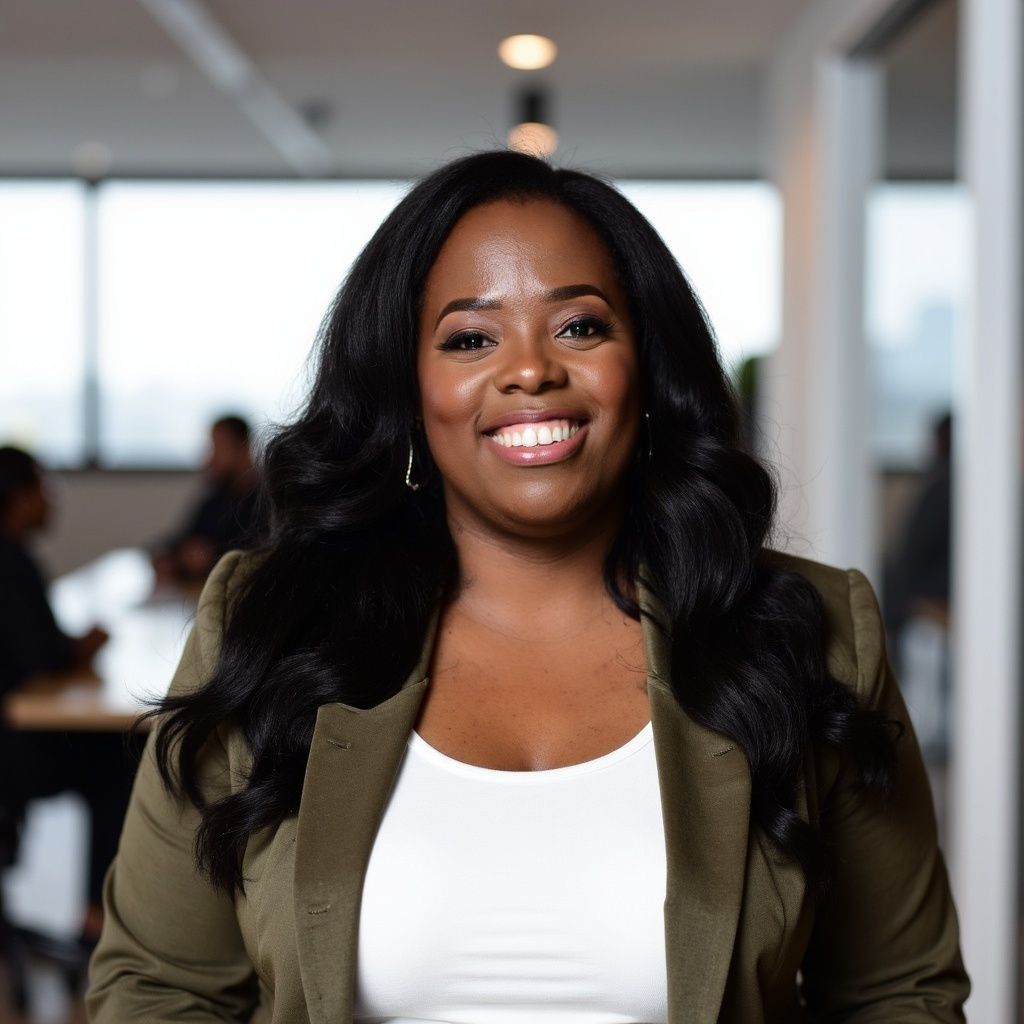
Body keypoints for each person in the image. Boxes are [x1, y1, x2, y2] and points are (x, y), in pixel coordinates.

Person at [87, 152, 968, 1022]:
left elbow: (900, 995)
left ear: (647, 368)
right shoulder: (272, 623)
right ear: (408, 387)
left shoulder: (805, 630)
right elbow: (160, 991)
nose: (531, 371)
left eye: (579, 327)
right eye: (471, 337)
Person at [0, 446, 135, 947]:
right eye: (41, 488)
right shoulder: (11, 560)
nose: (50, 501)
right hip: (14, 749)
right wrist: (82, 648)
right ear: (17, 497)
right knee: (122, 758)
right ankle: (96, 918)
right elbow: (38, 656)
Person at [151, 414, 261, 584]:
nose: (209, 458)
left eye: (217, 448)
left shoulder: (266, 503)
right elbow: (179, 540)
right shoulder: (214, 500)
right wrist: (169, 558)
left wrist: (209, 557)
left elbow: (258, 556)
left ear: (242, 449)